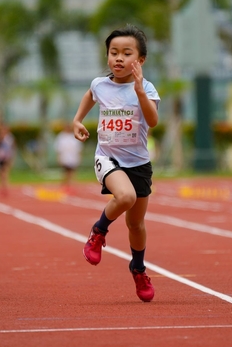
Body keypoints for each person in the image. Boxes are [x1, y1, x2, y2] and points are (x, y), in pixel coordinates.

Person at [73, 25, 160, 302]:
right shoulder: (100, 84)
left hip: (139, 163)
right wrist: (77, 120)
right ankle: (98, 232)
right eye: (114, 52)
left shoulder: (147, 88)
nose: (119, 58)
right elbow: (90, 95)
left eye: (126, 53)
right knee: (125, 197)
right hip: (107, 157)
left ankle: (138, 268)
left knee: (136, 224)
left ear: (140, 60)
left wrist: (140, 91)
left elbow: (153, 121)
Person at [54, 121, 83, 192]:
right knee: (65, 172)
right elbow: (58, 148)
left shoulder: (74, 136)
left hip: (73, 157)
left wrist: (79, 157)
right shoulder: (61, 137)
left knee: (72, 172)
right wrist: (59, 157)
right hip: (65, 157)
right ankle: (65, 185)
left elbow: (78, 148)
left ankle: (71, 185)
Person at [0, 124, 16, 195]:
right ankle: (1, 185)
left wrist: (12, 157)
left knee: (5, 171)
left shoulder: (10, 138)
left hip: (7, 157)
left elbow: (13, 147)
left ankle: (5, 185)